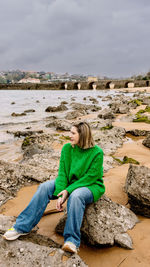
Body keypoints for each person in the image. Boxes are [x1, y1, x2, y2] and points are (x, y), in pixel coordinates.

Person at [3, 122, 105, 253]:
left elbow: (90, 177)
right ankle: (21, 227)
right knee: (44, 187)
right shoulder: (67, 148)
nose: (70, 136)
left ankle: (72, 240)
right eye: (70, 132)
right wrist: (60, 193)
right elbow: (62, 173)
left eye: (73, 133)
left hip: (90, 185)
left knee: (76, 195)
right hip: (69, 183)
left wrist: (67, 191)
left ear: (83, 135)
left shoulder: (97, 152)